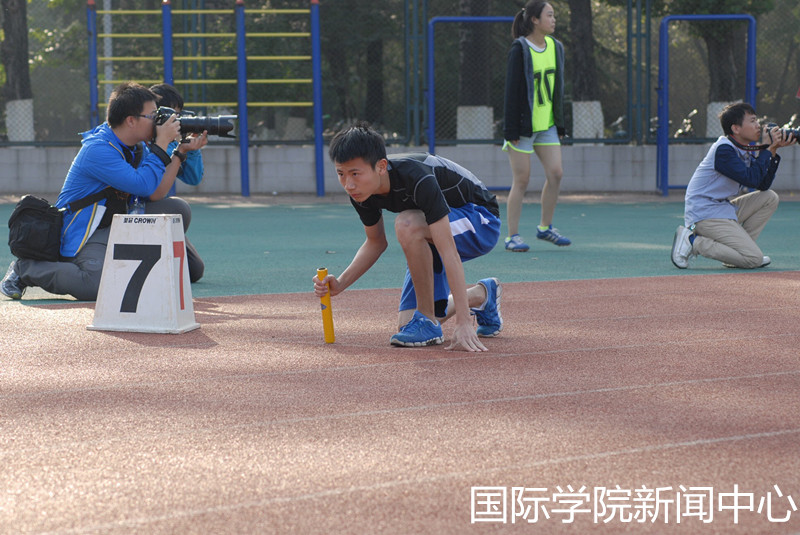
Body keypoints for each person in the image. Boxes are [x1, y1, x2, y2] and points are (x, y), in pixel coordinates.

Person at [1, 82, 206, 301]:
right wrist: (162, 143)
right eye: (153, 116)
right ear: (131, 120)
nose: (159, 122)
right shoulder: (98, 149)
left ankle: (135, 264)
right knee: (96, 285)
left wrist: (180, 151)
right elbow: (143, 185)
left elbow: (155, 194)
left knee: (178, 211)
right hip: (87, 233)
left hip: (117, 224)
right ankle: (26, 268)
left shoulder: (136, 146)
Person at [313, 122, 503, 352]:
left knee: (407, 224)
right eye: (341, 174)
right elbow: (375, 242)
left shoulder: (417, 177)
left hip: (481, 220)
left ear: (381, 167)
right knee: (407, 325)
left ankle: (428, 318)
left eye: (355, 174)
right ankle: (482, 295)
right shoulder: (361, 192)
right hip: (432, 229)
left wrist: (463, 321)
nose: (348, 184)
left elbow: (448, 250)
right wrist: (340, 284)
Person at [671, 102, 796, 269]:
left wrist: (772, 151)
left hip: (722, 209)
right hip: (704, 214)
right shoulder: (724, 150)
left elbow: (762, 184)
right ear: (736, 128)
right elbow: (751, 180)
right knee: (753, 259)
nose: (758, 125)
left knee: (769, 197)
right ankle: (693, 242)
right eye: (752, 121)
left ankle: (736, 256)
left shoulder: (742, 148)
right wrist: (767, 149)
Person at [502, 0, 570, 252]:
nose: (553, 20)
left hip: (547, 126)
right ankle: (512, 236)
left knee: (556, 173)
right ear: (534, 19)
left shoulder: (556, 47)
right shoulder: (520, 49)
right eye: (549, 15)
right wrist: (510, 130)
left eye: (553, 15)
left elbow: (558, 89)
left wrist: (559, 123)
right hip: (522, 128)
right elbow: (511, 91)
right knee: (521, 180)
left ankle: (545, 227)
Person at [149, 83, 207, 281]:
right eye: (173, 115)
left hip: (159, 209)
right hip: (141, 208)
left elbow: (193, 178)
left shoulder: (173, 143)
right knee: (179, 208)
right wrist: (172, 147)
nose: (178, 121)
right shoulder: (144, 142)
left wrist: (191, 149)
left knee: (194, 269)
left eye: (179, 115)